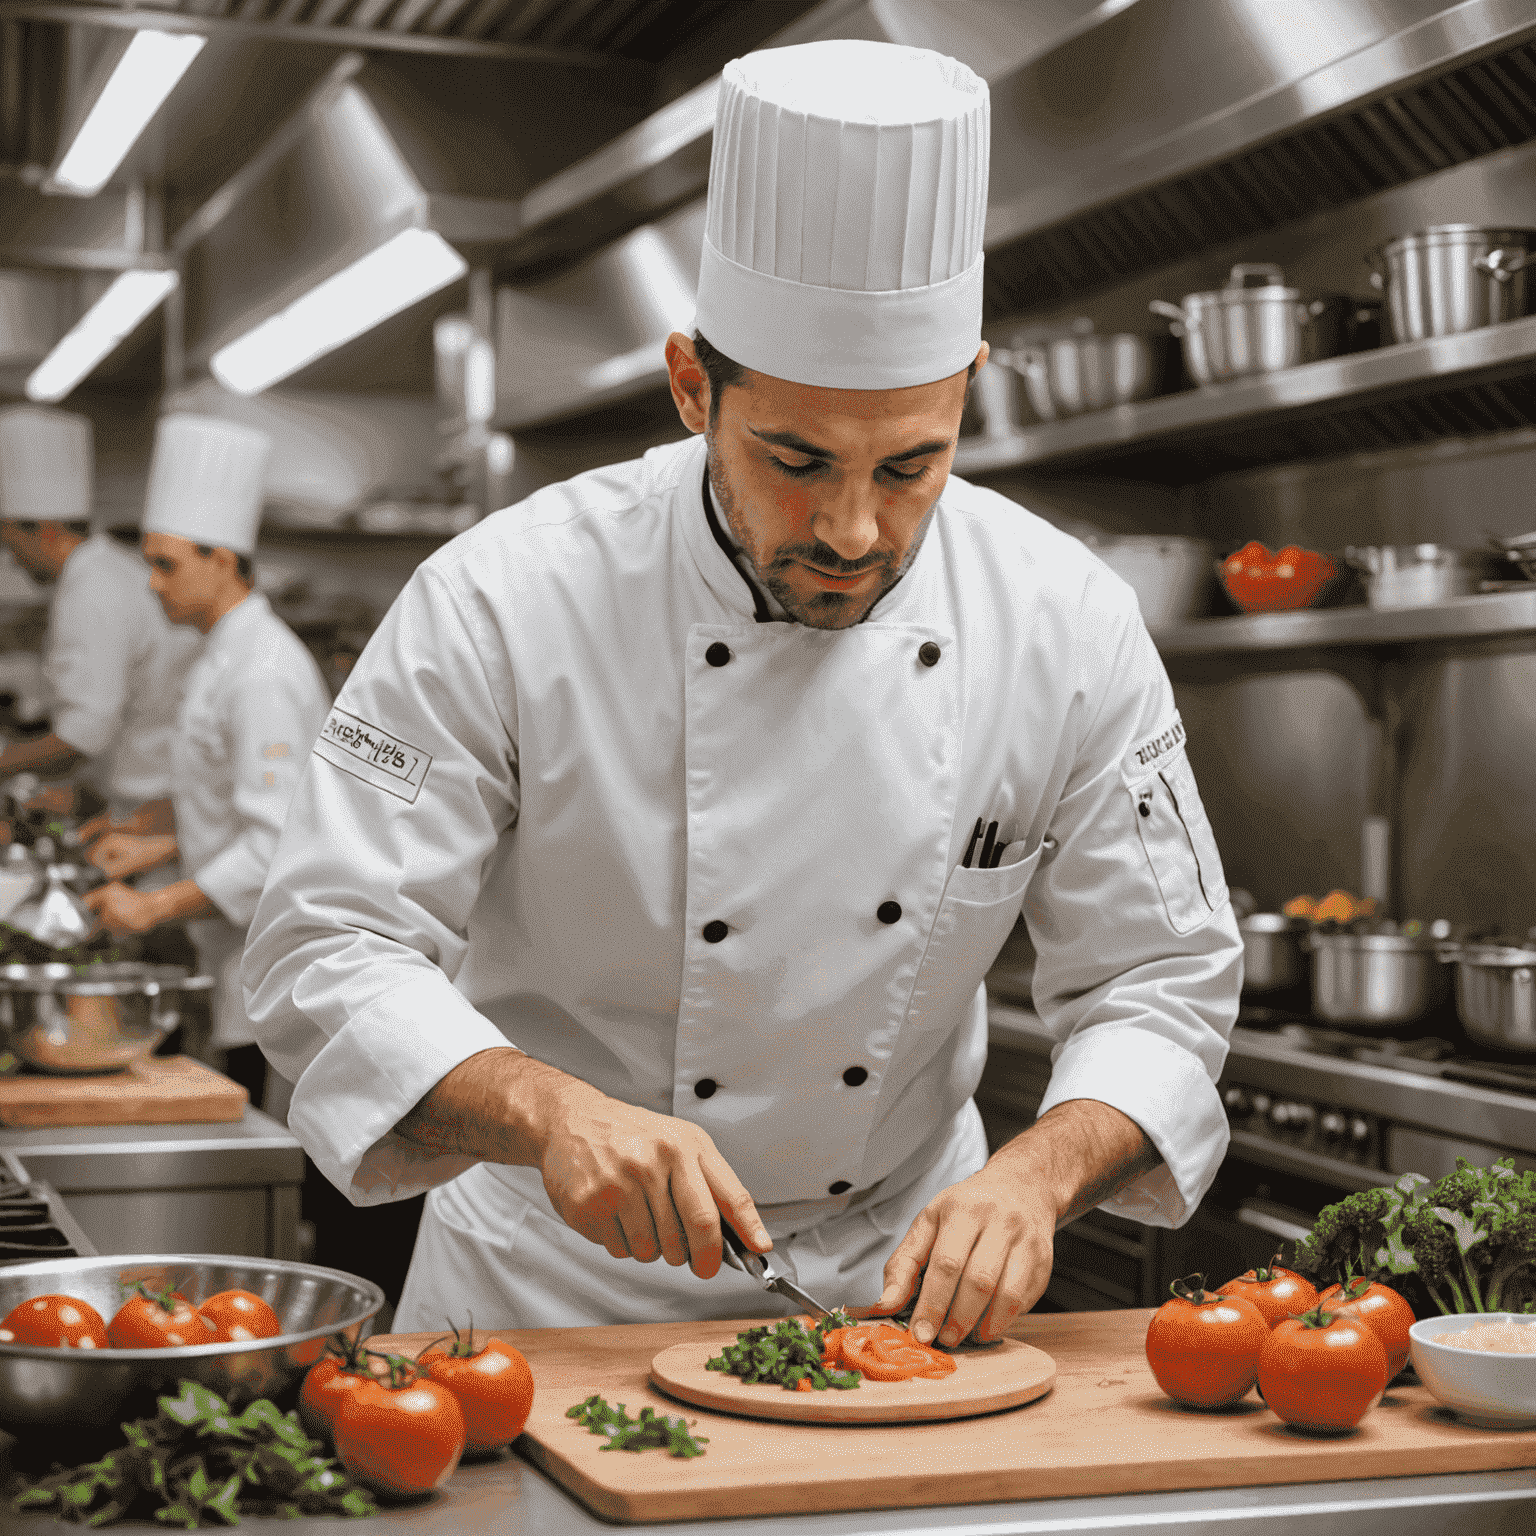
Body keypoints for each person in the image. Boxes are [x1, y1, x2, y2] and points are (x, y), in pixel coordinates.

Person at [244, 40, 1242, 1344]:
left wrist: (1036, 1177)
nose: (850, 528)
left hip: (900, 1296)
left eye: (910, 468)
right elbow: (328, 944)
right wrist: (553, 1115)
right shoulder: (502, 597)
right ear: (691, 389)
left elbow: (1162, 979)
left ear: (968, 397)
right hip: (546, 1294)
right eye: (795, 458)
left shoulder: (1069, 621)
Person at [84, 415, 330, 1105]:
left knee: (262, 1135)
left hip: (269, 959)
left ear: (222, 560)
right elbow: (219, 788)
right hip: (231, 952)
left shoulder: (261, 673)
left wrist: (151, 906)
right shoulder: (222, 655)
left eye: (167, 564)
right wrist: (147, 840)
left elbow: (272, 843)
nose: (153, 585)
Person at [0, 406, 200, 823]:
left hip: (149, 802)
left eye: (10, 541)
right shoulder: (107, 569)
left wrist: (6, 762)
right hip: (147, 791)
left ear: (43, 528)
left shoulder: (91, 589)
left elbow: (86, 729)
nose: (12, 560)